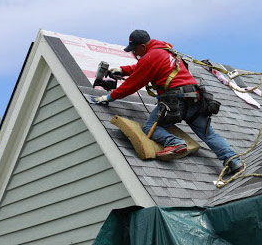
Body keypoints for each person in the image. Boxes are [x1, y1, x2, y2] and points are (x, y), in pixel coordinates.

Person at [91, 29, 243, 174]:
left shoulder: (149, 58)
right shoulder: (164, 51)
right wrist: (123, 70)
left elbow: (132, 85)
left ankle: (174, 143)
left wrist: (109, 97)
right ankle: (233, 161)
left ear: (143, 46)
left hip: (175, 100)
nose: (134, 53)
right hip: (195, 97)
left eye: (135, 49)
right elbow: (143, 67)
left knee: (150, 127)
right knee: (208, 134)